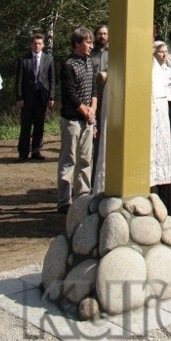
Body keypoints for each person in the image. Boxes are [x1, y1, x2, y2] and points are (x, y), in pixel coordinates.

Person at [57, 27, 97, 214]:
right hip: (72, 120)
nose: (91, 46)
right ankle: (64, 201)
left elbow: (94, 89)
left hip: (88, 120)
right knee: (69, 160)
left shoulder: (90, 62)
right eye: (88, 42)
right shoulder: (68, 65)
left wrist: (92, 110)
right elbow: (70, 94)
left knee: (86, 160)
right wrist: (85, 111)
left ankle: (83, 198)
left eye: (91, 42)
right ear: (77, 43)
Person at [15, 32, 55, 162]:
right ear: (31, 44)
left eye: (39, 43)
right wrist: (19, 98)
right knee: (25, 126)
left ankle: (36, 152)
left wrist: (51, 97)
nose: (37, 46)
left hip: (41, 97)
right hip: (27, 98)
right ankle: (23, 153)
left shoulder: (49, 59)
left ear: (43, 45)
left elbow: (52, 80)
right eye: (34, 43)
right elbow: (18, 81)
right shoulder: (23, 60)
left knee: (39, 125)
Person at [151, 40, 171, 214]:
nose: (165, 55)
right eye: (161, 52)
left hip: (164, 118)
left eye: (166, 52)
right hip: (152, 120)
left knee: (164, 159)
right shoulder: (149, 71)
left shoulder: (166, 71)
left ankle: (165, 204)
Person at [90, 22, 108, 187]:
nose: (102, 36)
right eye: (99, 33)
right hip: (92, 98)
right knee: (94, 139)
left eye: (104, 33)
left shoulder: (114, 53)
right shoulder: (91, 53)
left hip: (109, 98)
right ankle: (93, 180)